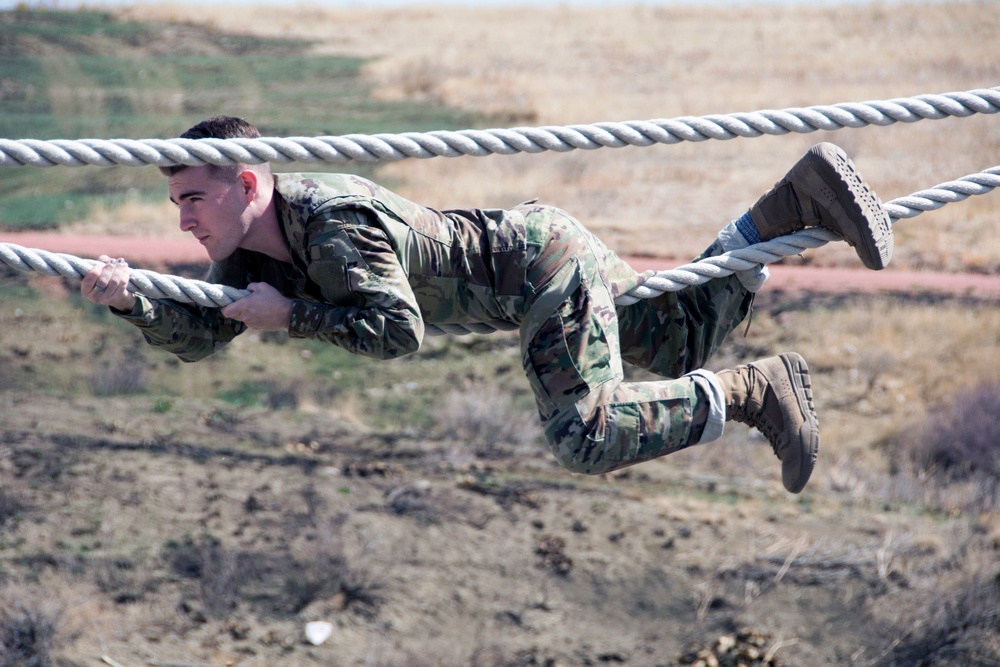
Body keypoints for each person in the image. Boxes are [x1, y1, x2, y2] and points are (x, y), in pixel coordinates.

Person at [81, 116, 893, 494]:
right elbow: (201, 333)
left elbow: (397, 333)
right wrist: (130, 302)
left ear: (247, 183)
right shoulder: (250, 249)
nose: (183, 218)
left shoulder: (328, 223)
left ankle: (757, 391)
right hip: (538, 252)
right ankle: (790, 204)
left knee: (584, 435)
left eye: (193, 197)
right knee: (677, 341)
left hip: (537, 269)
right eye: (176, 204)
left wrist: (290, 316)